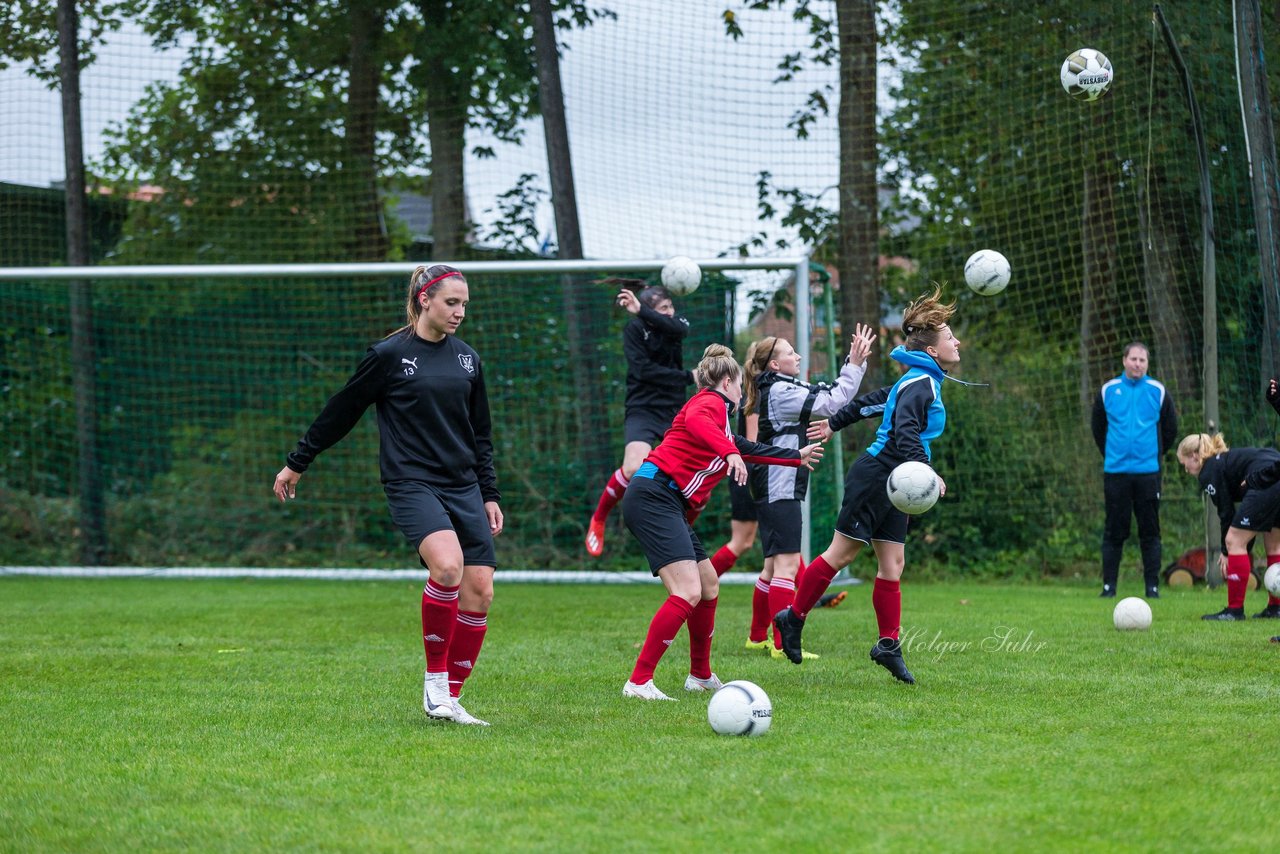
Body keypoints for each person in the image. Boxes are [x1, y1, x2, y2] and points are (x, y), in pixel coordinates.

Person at [272, 264, 502, 726]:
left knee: (480, 591)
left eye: (464, 305)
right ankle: (435, 685)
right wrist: (298, 461)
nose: (459, 313)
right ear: (424, 299)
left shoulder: (467, 359)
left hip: (464, 485)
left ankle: (450, 700)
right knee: (449, 566)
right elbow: (342, 409)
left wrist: (489, 492)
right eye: (451, 303)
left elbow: (480, 433)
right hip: (411, 482)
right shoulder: (389, 355)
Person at [773, 287, 961, 685]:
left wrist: (836, 421)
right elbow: (906, 431)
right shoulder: (921, 383)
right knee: (840, 555)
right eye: (949, 338)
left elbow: (879, 400)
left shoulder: (920, 379)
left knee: (893, 565)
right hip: (879, 476)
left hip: (898, 481)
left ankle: (888, 646)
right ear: (931, 350)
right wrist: (928, 471)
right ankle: (793, 618)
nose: (956, 342)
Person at [621, 344, 824, 700]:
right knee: (687, 591)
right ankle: (638, 682)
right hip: (654, 496)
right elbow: (706, 428)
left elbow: (746, 446)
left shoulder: (722, 419)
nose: (742, 389)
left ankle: (700, 675)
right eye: (739, 383)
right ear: (728, 383)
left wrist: (795, 456)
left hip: (666, 500)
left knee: (708, 584)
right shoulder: (709, 402)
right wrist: (729, 452)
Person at [742, 324, 877, 659]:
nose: (798, 356)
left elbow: (826, 391)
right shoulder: (781, 391)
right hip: (779, 482)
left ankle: (757, 636)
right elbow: (833, 401)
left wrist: (851, 361)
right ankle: (779, 644)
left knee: (773, 567)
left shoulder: (780, 385)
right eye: (790, 352)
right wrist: (856, 363)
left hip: (776, 480)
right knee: (786, 566)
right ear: (774, 364)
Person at [586, 282, 695, 557]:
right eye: (662, 308)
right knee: (634, 467)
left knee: (688, 472)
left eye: (670, 307)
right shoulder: (635, 329)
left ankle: (679, 529)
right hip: (643, 407)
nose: (669, 313)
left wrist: (643, 311)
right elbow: (643, 370)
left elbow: (679, 328)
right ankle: (599, 519)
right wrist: (687, 378)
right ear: (649, 311)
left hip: (674, 409)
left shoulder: (675, 326)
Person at [1091, 342, 1178, 599]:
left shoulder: (1158, 391)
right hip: (1116, 472)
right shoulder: (1108, 390)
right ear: (1124, 361)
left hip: (1148, 473)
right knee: (1114, 530)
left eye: (1142, 360)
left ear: (1147, 364)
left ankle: (1152, 587)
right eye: (1134, 359)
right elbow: (1098, 428)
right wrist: (1112, 454)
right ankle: (1109, 588)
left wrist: (1153, 454)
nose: (1138, 364)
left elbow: (1170, 429)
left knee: (1150, 532)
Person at [1176, 432, 1280, 620]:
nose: (1187, 470)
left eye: (1185, 465)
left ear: (1195, 456)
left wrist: (1227, 551)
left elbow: (1226, 513)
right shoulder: (1223, 460)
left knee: (1234, 541)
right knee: (1274, 546)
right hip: (1276, 473)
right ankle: (1276, 608)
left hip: (1266, 480)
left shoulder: (1209, 470)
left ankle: (1234, 610)